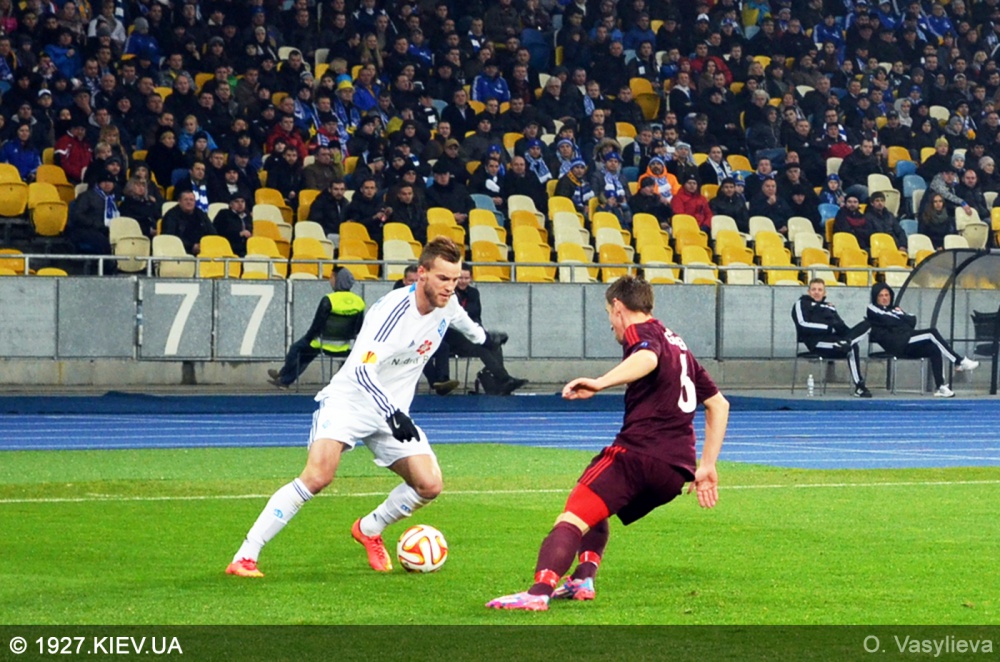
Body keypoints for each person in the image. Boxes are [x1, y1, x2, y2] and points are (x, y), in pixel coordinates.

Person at [227, 238, 510, 577]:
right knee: (318, 476)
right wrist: (392, 412)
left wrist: (484, 338)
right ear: (421, 274)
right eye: (442, 278)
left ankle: (369, 529)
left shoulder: (446, 303)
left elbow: (463, 322)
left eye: (454, 279)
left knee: (429, 485)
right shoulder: (391, 313)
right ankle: (245, 556)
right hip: (351, 401)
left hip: (392, 413)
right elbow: (362, 370)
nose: (450, 287)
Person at [486, 275, 728, 611]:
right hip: (675, 472)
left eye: (608, 315)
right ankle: (582, 579)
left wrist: (600, 383)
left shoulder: (640, 332)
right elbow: (719, 404)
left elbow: (647, 359)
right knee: (595, 500)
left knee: (572, 517)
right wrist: (708, 465)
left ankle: (538, 592)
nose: (611, 325)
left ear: (618, 307)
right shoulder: (679, 345)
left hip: (639, 454)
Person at [866, 283, 979, 398]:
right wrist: (900, 319)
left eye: (887, 295)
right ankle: (958, 361)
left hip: (905, 341)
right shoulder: (872, 308)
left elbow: (912, 321)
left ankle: (940, 386)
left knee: (933, 348)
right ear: (876, 297)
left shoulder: (894, 309)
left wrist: (900, 316)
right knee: (931, 333)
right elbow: (890, 321)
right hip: (895, 344)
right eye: (881, 296)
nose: (885, 298)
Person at [267, 269, 366, 389]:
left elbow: (317, 325)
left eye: (332, 277)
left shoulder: (329, 300)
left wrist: (308, 338)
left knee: (297, 349)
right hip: (345, 346)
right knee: (307, 353)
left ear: (338, 280)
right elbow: (358, 328)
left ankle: (283, 376)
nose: (330, 280)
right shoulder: (359, 302)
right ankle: (283, 379)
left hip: (323, 343)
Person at [791, 278, 872, 398]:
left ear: (824, 293)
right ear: (808, 292)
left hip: (835, 340)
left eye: (820, 290)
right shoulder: (802, 303)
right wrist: (828, 328)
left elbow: (841, 327)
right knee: (852, 347)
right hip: (816, 342)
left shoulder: (829, 307)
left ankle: (847, 341)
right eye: (813, 289)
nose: (816, 292)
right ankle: (860, 386)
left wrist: (852, 332)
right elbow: (802, 324)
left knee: (868, 324)